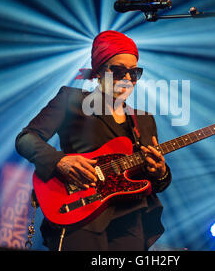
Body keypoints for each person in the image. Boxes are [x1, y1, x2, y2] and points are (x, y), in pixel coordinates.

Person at [15, 30, 172, 251]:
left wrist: (160, 172)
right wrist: (60, 161)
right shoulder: (72, 100)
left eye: (134, 73)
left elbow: (153, 182)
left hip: (131, 221)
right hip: (80, 211)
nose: (127, 79)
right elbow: (26, 138)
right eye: (118, 71)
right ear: (99, 72)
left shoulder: (144, 120)